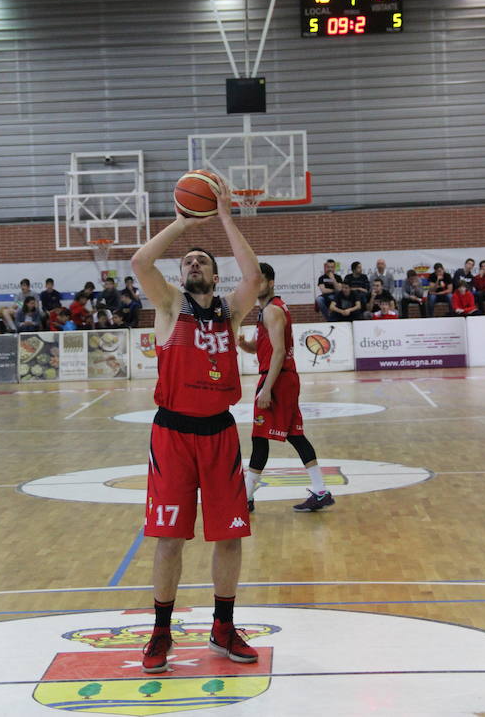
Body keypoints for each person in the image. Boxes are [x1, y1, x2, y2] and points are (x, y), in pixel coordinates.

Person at [130, 179, 261, 674]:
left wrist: (224, 217)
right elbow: (141, 263)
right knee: (170, 538)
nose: (193, 264)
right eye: (187, 262)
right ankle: (161, 631)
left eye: (201, 261)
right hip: (172, 435)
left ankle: (223, 626)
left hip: (220, 433)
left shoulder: (231, 312)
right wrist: (183, 224)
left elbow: (253, 276)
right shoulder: (168, 306)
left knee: (229, 535)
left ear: (215, 274)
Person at [238, 263, 335, 515]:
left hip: (277, 379)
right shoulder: (268, 310)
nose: (255, 285)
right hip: (283, 378)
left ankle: (245, 498)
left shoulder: (272, 311)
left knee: (260, 437)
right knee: (295, 435)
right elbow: (260, 348)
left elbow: (279, 352)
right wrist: (243, 344)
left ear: (271, 283)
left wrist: (267, 389)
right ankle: (320, 490)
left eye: (260, 281)